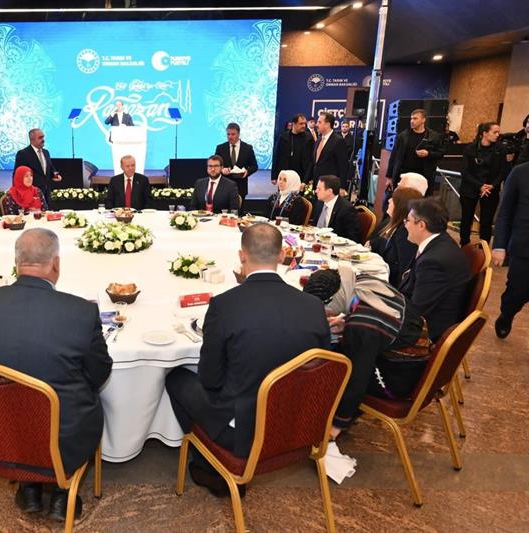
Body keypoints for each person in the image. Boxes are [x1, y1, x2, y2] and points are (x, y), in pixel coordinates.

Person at [165, 223, 330, 497]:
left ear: (242, 256)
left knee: (176, 378)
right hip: (300, 424)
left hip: (244, 432)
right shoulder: (313, 306)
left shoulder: (224, 305)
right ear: (282, 255)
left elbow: (210, 379)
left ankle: (211, 465)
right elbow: (321, 369)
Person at [0, 228, 112, 521]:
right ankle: (62, 491)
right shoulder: (81, 312)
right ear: (55, 264)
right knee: (83, 396)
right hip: (62, 437)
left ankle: (29, 487)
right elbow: (99, 372)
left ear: (16, 262)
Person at [303, 267, 428, 438]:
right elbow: (380, 317)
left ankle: (327, 418)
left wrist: (337, 425)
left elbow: (357, 380)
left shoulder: (362, 328)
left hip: (399, 379)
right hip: (417, 357)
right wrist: (347, 321)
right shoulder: (366, 283)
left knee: (329, 369)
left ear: (332, 302)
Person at [399, 198, 470, 341]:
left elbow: (416, 310)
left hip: (426, 332)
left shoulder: (434, 261)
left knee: (360, 328)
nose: (405, 225)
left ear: (421, 225)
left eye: (407, 220)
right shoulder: (440, 242)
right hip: (425, 317)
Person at [492, 161, 529, 338]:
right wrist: (499, 245)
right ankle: (507, 314)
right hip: (523, 249)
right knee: (517, 293)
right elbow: (505, 212)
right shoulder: (520, 173)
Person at [459, 122, 509, 246]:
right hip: (470, 188)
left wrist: (493, 185)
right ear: (485, 133)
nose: (498, 135)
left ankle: (484, 248)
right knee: (466, 219)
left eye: (498, 132)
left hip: (490, 189)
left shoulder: (501, 149)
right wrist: (480, 186)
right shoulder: (470, 149)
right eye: (495, 132)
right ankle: (464, 245)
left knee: (486, 221)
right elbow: (465, 171)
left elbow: (503, 170)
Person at [369, 187, 423, 286]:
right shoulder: (391, 223)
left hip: (387, 285)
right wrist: (372, 244)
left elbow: (401, 272)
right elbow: (382, 243)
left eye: (393, 199)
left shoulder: (405, 233)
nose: (389, 200)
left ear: (400, 206)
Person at [385, 109, 445, 196]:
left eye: (415, 118)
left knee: (420, 202)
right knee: (401, 201)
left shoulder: (433, 137)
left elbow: (441, 153)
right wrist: (389, 177)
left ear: (423, 120)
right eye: (411, 118)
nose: (412, 121)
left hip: (423, 178)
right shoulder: (403, 136)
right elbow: (394, 156)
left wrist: (428, 154)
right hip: (403, 176)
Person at [14, 128, 63, 203]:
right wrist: (18, 193)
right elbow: (17, 175)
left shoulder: (46, 152)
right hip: (31, 194)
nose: (43, 140)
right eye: (40, 138)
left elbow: (50, 168)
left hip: (46, 192)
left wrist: (55, 175)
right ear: (32, 140)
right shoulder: (23, 154)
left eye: (43, 137)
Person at [312, 174, 361, 243]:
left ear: (329, 191)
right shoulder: (320, 203)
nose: (316, 191)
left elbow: (353, 237)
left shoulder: (346, 209)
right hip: (316, 242)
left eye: (319, 189)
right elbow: (314, 226)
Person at [214, 123, 258, 199]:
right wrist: (221, 169)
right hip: (224, 186)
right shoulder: (220, 148)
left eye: (233, 134)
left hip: (241, 186)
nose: (230, 137)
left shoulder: (247, 148)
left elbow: (254, 166)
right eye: (228, 134)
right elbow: (215, 165)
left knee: (239, 206)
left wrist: (247, 172)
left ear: (239, 134)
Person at [309, 112, 350, 191]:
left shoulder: (338, 141)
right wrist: (305, 181)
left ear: (327, 124)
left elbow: (343, 166)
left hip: (330, 187)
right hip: (317, 185)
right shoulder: (318, 140)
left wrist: (342, 187)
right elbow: (313, 162)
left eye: (319, 122)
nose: (316, 125)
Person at [272, 113, 314, 186]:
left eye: (304, 123)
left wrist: (310, 177)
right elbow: (276, 156)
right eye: (301, 123)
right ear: (294, 124)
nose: (304, 126)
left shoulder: (309, 138)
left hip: (303, 176)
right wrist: (273, 176)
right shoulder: (283, 137)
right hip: (285, 175)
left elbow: (312, 159)